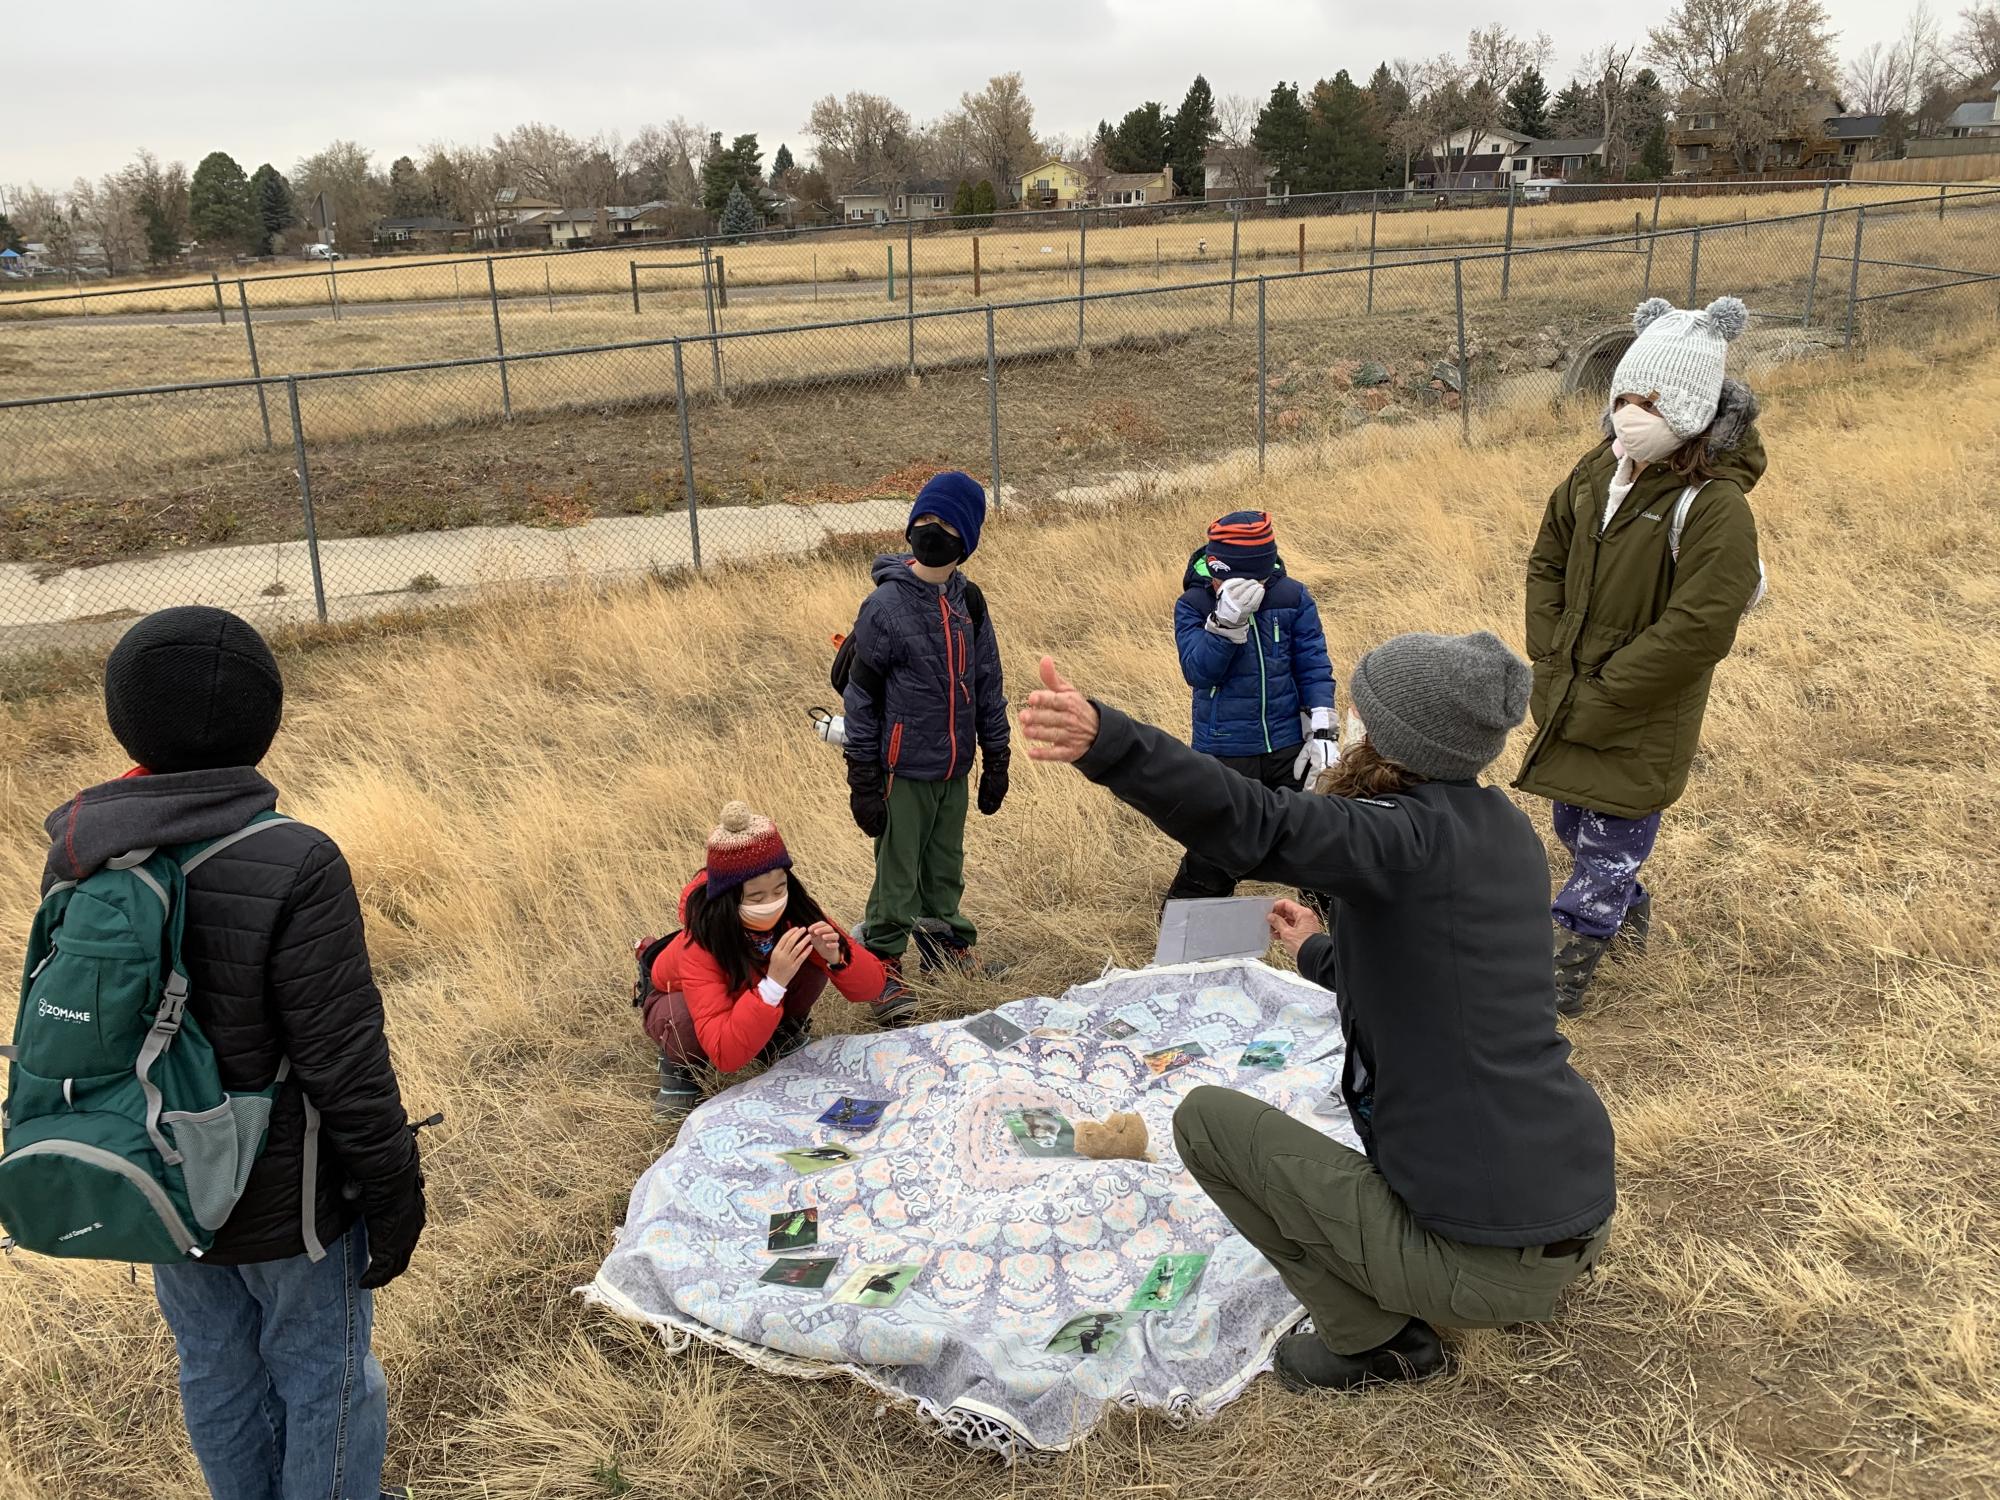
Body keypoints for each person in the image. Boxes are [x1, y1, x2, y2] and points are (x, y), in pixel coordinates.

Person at [1021, 632, 1616, 1393]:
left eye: (1362, 716)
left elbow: (1258, 823)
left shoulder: (1399, 838)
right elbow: (1436, 982)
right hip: (1578, 1209)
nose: (1348, 725)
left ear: (1400, 739)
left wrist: (1111, 744)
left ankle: (1372, 1343)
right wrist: (1314, 953)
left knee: (1207, 1121)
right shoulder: (1501, 830)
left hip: (1488, 1268)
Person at [36, 606, 425, 1499]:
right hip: (288, 1199)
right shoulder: (295, 858)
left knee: (215, 1366)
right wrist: (395, 1187)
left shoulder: (85, 851)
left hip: (160, 1177)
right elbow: (344, 1058)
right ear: (265, 721)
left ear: (122, 717)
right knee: (325, 1375)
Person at [1517, 296, 1765, 1013]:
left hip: (1642, 708)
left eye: (1649, 401)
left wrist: (1611, 687)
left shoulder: (1715, 506)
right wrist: (1550, 658)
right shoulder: (1598, 469)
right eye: (1623, 394)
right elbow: (1547, 561)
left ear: (1688, 409)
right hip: (1572, 690)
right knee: (1573, 821)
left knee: (1607, 841)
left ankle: (1566, 970)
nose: (1630, 412)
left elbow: (1698, 628)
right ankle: (1627, 914)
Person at [841, 471, 1009, 980]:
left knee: (944, 867)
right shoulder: (884, 607)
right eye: (924, 520)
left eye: (946, 525)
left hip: (954, 768)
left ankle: (946, 949)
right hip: (902, 771)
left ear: (968, 540)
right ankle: (882, 964)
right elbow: (861, 698)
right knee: (897, 877)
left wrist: (996, 759)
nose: (933, 531)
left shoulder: (970, 602)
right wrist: (863, 780)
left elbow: (988, 684)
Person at [640, 800, 910, 1115]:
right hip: (674, 996)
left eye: (779, 889)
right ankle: (678, 1065)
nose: (772, 903)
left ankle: (777, 1034)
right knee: (685, 1023)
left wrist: (839, 958)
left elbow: (872, 987)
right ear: (729, 898)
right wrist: (774, 983)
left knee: (808, 960)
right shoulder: (701, 943)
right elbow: (726, 1056)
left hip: (752, 995)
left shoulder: (798, 912)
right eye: (755, 897)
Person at [1168, 510, 1338, 905]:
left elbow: (1312, 662)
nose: (1249, 588)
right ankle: (1192, 925)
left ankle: (1331, 918)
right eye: (1226, 577)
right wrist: (1224, 627)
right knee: (1217, 842)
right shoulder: (1193, 604)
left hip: (1288, 745)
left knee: (1313, 834)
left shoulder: (1292, 597)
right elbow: (1199, 672)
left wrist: (1323, 725)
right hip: (1226, 748)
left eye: (1254, 579)